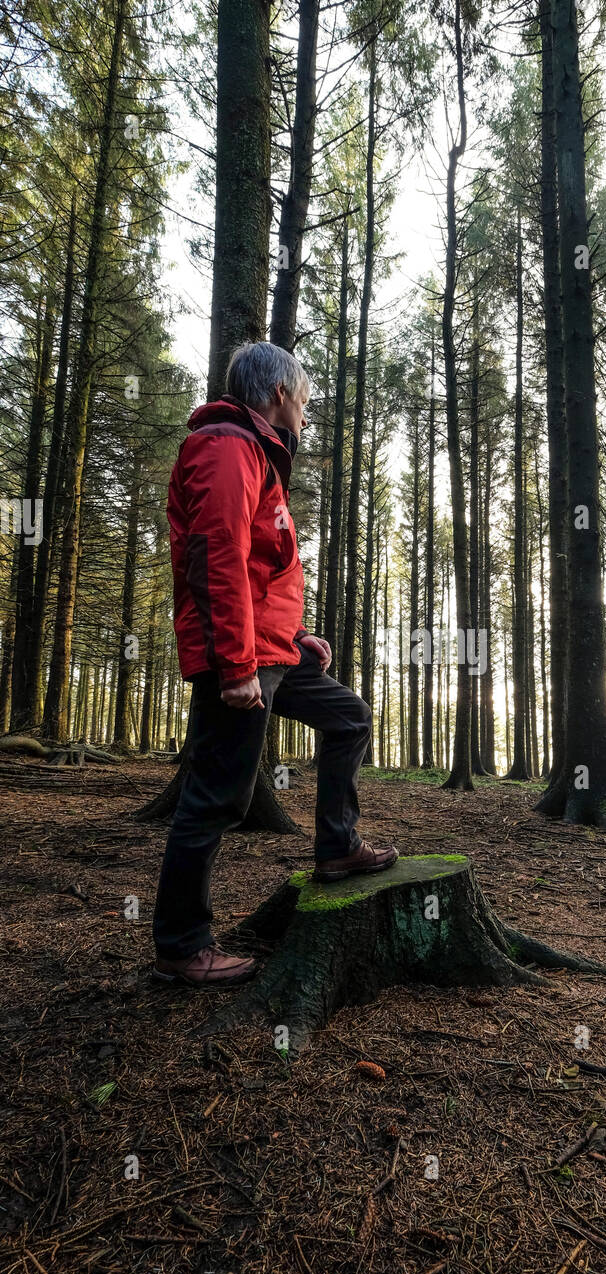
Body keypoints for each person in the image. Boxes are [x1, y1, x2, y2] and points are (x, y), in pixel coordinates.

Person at [151, 341, 398, 988]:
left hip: (270, 652)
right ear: (281, 395)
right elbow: (218, 558)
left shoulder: (256, 453)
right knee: (216, 798)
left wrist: (297, 639)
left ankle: (338, 848)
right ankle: (181, 945)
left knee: (348, 718)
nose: (308, 417)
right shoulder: (228, 447)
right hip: (240, 659)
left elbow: (262, 572)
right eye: (306, 402)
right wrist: (235, 665)